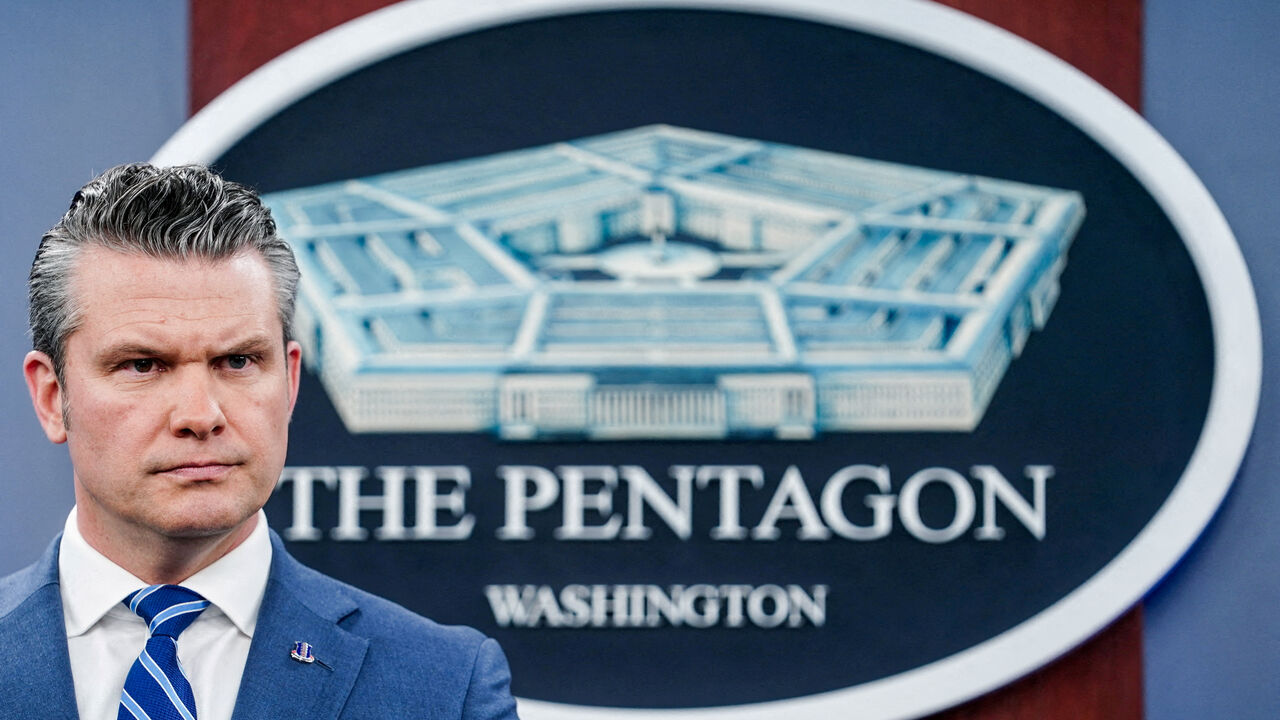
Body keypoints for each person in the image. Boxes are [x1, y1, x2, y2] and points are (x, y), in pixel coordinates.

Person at [0, 163, 519, 719]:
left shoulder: (442, 689)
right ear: (53, 398)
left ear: (290, 383)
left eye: (239, 361)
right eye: (143, 365)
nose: (201, 415)